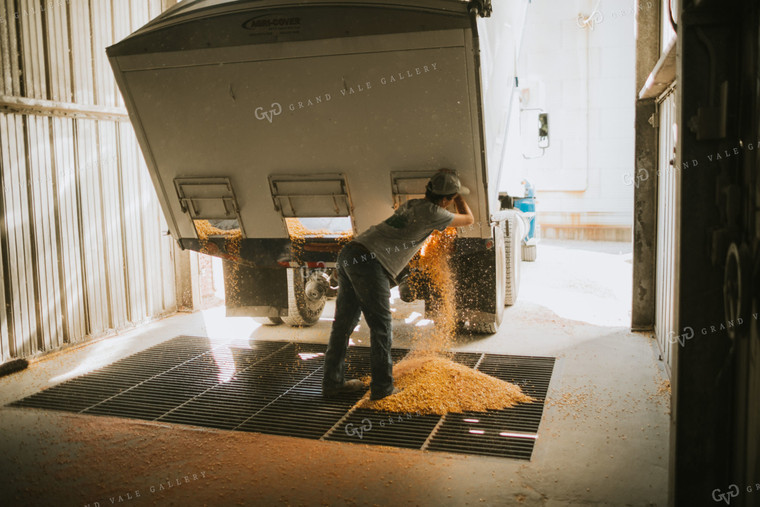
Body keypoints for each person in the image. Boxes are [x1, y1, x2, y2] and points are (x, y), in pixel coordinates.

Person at [322, 169, 475, 400]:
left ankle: (332, 383)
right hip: (369, 262)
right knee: (381, 327)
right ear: (446, 199)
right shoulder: (435, 213)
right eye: (450, 198)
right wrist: (460, 196)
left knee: (343, 325)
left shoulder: (413, 204)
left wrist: (450, 194)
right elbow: (469, 219)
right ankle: (383, 389)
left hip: (350, 253)